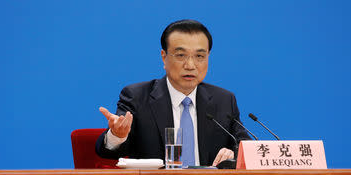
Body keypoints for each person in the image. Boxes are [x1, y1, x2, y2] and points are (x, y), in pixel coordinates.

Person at [96, 19, 250, 167]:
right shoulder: (137, 97)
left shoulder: (223, 100)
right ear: (164, 57)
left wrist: (233, 156)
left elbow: (246, 148)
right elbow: (107, 152)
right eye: (181, 55)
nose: (190, 65)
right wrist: (117, 135)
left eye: (199, 56)